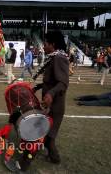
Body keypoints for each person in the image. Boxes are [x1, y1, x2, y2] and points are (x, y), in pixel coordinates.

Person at [35, 30, 69, 164]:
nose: (43, 46)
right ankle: (51, 156)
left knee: (49, 138)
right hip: (49, 104)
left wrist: (50, 93)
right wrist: (38, 87)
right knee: (46, 135)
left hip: (55, 106)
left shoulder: (59, 58)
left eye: (46, 43)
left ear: (52, 44)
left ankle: (55, 158)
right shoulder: (53, 57)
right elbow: (50, 80)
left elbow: (63, 82)